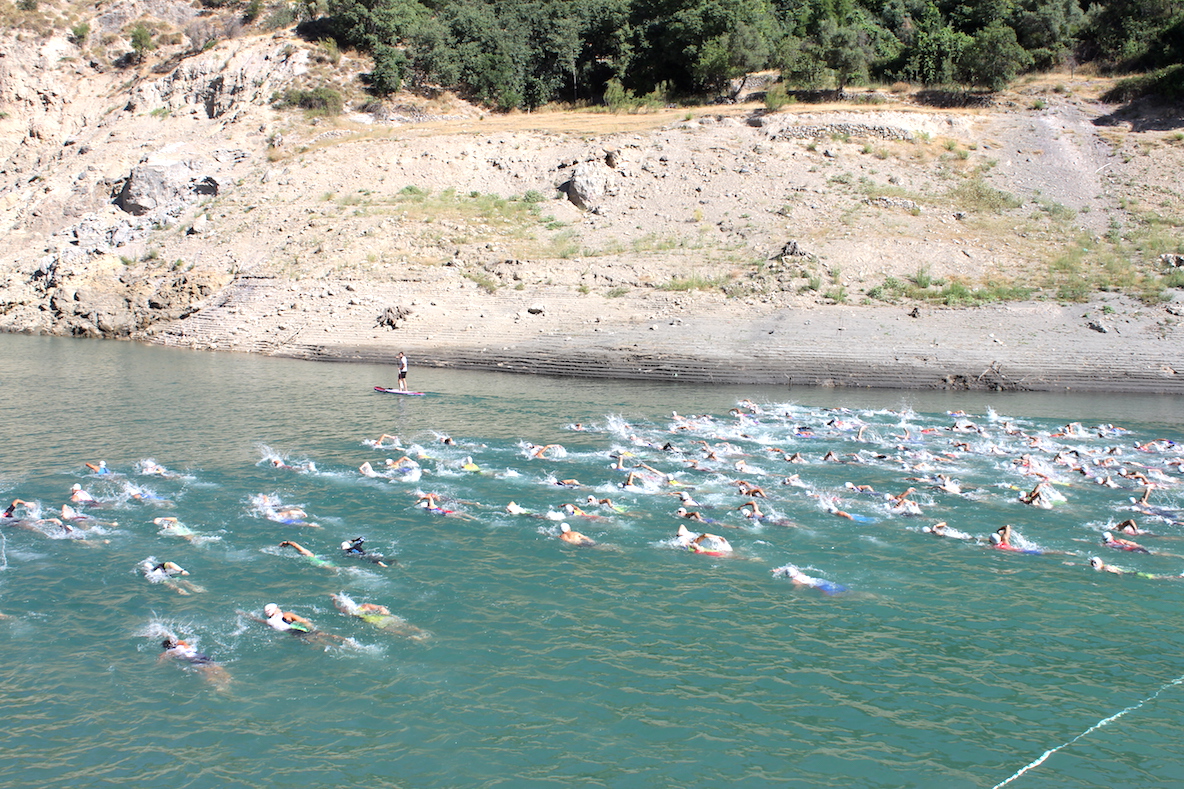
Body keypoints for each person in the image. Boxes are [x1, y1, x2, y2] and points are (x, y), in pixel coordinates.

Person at [160, 637, 232, 689]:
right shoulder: (185, 645)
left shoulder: (172, 652)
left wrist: (159, 662)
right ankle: (227, 678)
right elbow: (180, 641)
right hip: (201, 655)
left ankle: (217, 685)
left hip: (194, 659)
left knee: (207, 671)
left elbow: (163, 655)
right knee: (216, 667)